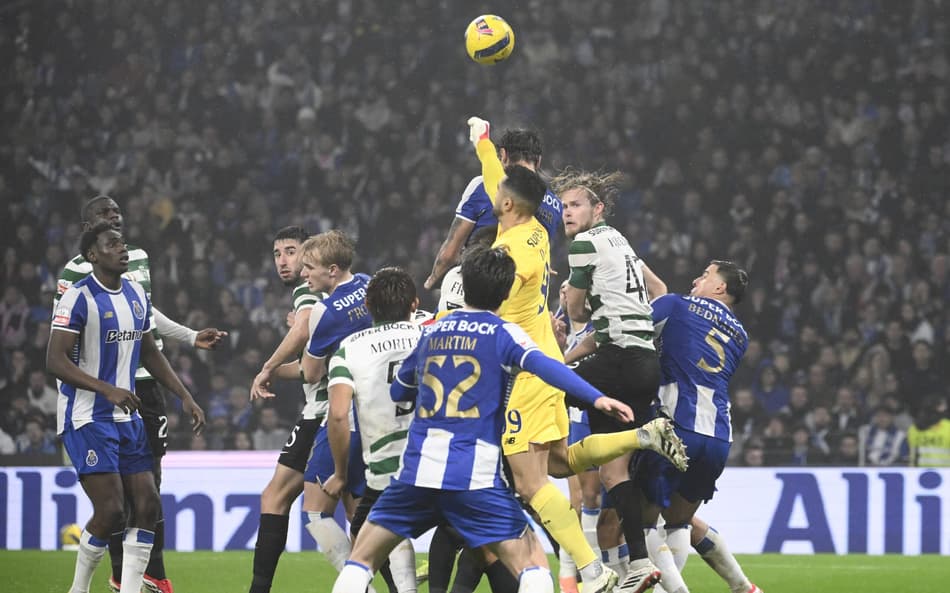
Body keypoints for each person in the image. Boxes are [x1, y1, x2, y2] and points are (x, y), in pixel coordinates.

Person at [332, 245, 635, 593]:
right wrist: (596, 397)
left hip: (415, 473)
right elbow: (547, 366)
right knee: (533, 565)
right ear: (506, 293)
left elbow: (401, 389)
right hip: (474, 478)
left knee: (362, 559)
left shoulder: (431, 331)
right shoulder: (503, 333)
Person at [467, 117, 685, 593]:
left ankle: (590, 568)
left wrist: (464, 313)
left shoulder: (519, 251)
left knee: (528, 481)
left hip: (527, 368)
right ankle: (641, 437)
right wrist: (481, 140)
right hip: (541, 360)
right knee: (562, 463)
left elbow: (496, 295)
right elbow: (492, 178)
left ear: (505, 205)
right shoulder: (524, 227)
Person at [55, 195, 224, 593]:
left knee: (148, 499)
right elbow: (57, 355)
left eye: (120, 230)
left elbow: (148, 338)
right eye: (109, 236)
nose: (121, 244)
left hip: (130, 403)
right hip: (90, 409)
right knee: (112, 508)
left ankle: (135, 583)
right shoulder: (75, 288)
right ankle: (81, 587)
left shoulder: (133, 282)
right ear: (91, 249)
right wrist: (100, 388)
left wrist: (186, 390)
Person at [554, 168, 668, 592]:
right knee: (611, 472)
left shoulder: (583, 245)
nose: (567, 213)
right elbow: (659, 290)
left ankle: (646, 436)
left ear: (597, 209)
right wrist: (565, 358)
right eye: (564, 207)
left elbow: (580, 315)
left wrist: (569, 302)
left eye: (576, 205)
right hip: (641, 364)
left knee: (543, 390)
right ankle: (639, 563)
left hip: (618, 361)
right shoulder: (620, 242)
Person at [633, 261, 762, 593]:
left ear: (720, 288)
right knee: (678, 522)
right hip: (718, 436)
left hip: (676, 427)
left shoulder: (675, 304)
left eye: (705, 275)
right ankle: (743, 588)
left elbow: (632, 332)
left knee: (642, 520)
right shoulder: (740, 335)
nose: (696, 278)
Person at [325, 267, 424, 593]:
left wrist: (340, 473)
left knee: (367, 536)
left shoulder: (349, 348)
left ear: (367, 305)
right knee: (475, 541)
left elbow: (339, 415)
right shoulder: (430, 332)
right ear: (414, 303)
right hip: (437, 458)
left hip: (387, 469)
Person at [244, 226, 330, 593]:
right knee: (355, 509)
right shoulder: (330, 292)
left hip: (325, 411)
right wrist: (276, 372)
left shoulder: (306, 292)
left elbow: (306, 331)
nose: (283, 261)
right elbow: (311, 368)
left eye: (291, 252)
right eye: (277, 253)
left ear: (309, 253)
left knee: (286, 500)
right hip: (336, 405)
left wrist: (267, 367)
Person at [298, 230, 374, 573]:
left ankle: (359, 584)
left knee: (315, 510)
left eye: (309, 266)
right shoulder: (368, 284)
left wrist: (304, 340)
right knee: (363, 515)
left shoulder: (326, 312)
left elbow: (310, 373)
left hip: (348, 415)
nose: (303, 274)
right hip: (383, 414)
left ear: (331, 270)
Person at [424, 128, 561, 292]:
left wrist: (431, 282)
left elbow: (450, 252)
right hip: (525, 299)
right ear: (538, 161)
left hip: (478, 289)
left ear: (503, 155)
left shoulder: (483, 185)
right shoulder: (555, 204)